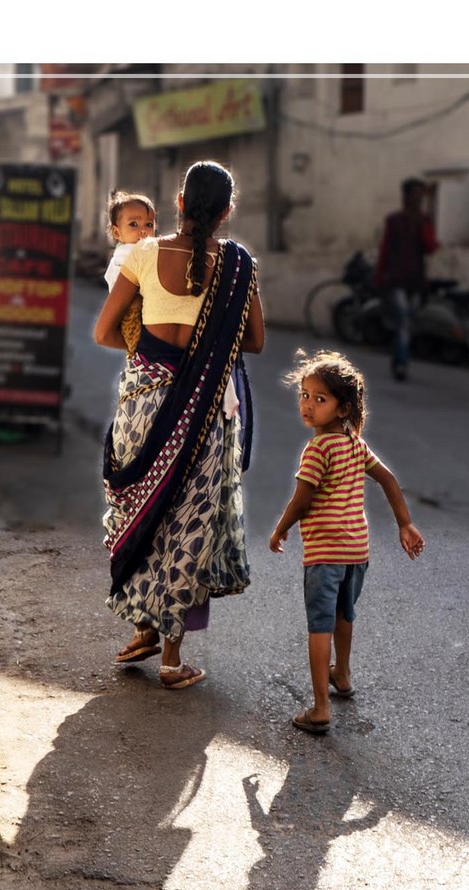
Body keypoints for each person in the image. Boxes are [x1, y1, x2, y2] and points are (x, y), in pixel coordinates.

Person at [94, 160, 265, 690]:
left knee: (144, 512)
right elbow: (255, 342)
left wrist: (153, 358)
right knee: (187, 527)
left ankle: (143, 624)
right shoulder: (239, 266)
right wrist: (202, 353)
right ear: (227, 211)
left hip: (142, 405)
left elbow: (104, 332)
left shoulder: (143, 253)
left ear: (180, 204)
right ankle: (169, 658)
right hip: (202, 411)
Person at [269, 350, 425, 734]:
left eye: (319, 399)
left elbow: (302, 500)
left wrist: (280, 528)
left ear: (343, 408)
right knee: (344, 615)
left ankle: (320, 708)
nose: (307, 404)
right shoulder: (354, 443)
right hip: (357, 550)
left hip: (324, 554)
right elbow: (388, 479)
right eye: (304, 395)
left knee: (319, 625)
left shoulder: (318, 449)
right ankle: (344, 674)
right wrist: (404, 523)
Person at [375, 177, 438, 381]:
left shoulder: (423, 220)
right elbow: (385, 249)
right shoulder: (394, 220)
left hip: (415, 280)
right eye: (416, 193)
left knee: (408, 322)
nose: (419, 197)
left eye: (421, 194)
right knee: (404, 321)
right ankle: (401, 364)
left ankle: (399, 358)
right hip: (396, 278)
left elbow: (430, 248)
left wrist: (424, 225)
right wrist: (380, 274)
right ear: (407, 195)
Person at [103, 191, 156, 357]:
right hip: (131, 315)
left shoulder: (143, 249)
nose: (143, 231)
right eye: (134, 224)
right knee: (143, 349)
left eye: (149, 225)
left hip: (144, 312)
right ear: (117, 233)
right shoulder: (127, 253)